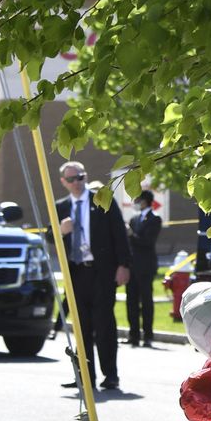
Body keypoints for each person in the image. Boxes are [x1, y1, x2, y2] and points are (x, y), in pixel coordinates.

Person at [55, 161, 131, 390]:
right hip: (76, 274)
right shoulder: (60, 207)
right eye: (71, 179)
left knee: (104, 324)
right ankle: (84, 377)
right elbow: (50, 236)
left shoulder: (101, 200)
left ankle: (111, 375)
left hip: (101, 272)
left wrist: (124, 265)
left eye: (80, 177)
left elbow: (119, 233)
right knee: (81, 326)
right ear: (63, 182)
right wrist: (60, 230)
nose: (77, 182)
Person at [126, 190, 163, 347]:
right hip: (132, 266)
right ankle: (133, 335)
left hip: (146, 266)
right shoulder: (134, 219)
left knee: (146, 301)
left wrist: (131, 235)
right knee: (131, 301)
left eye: (138, 200)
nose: (136, 202)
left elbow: (148, 241)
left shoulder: (155, 219)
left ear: (145, 201)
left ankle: (148, 335)